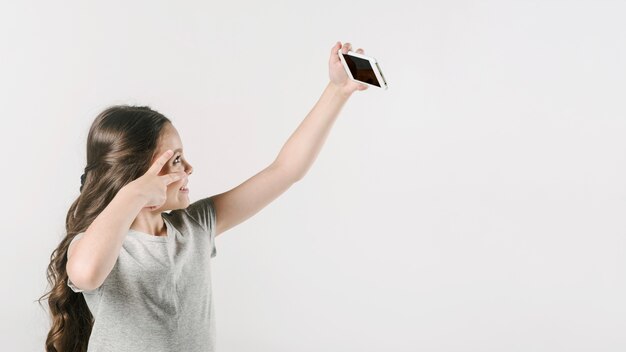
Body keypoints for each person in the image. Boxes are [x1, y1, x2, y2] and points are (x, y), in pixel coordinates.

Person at [38, 41, 369, 352]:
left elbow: (285, 170)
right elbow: (85, 273)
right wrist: (134, 194)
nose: (190, 168)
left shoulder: (195, 225)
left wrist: (337, 91)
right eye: (177, 159)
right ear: (138, 174)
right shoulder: (99, 243)